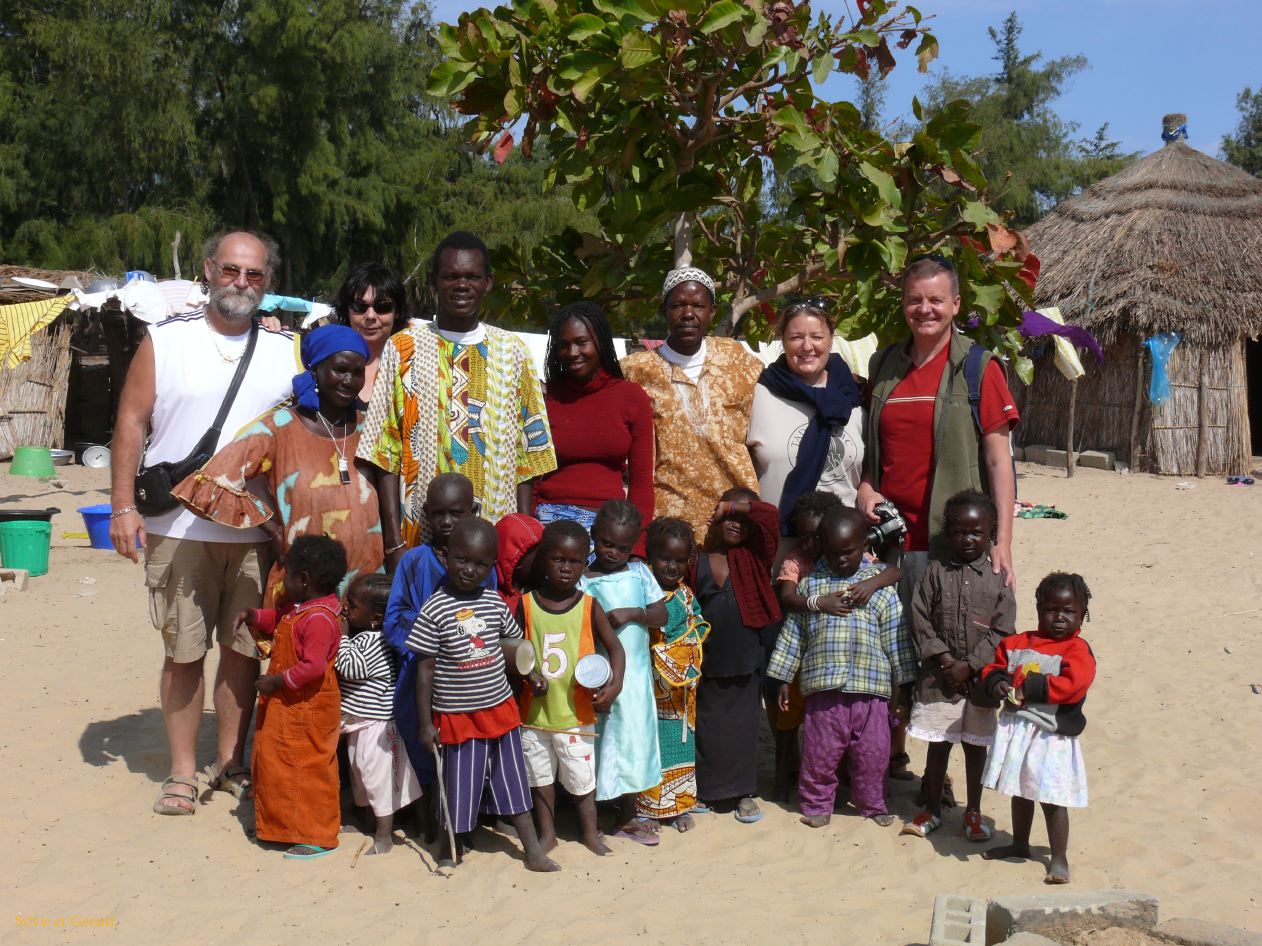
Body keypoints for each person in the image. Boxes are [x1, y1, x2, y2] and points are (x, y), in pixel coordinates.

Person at [109, 230, 298, 816]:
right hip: (178, 529)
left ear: (268, 283)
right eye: (231, 271)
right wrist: (121, 506)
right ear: (209, 270)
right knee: (184, 653)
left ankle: (231, 763)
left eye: (255, 275)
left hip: (256, 534)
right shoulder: (165, 342)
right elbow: (131, 422)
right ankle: (184, 773)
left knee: (243, 652)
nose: (241, 284)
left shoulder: (285, 349)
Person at [856, 253, 1020, 780]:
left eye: (934, 300)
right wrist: (864, 484)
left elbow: (998, 458)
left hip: (954, 546)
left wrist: (1003, 541)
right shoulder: (884, 365)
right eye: (914, 299)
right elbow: (872, 447)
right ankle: (894, 756)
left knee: (946, 651)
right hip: (889, 539)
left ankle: (939, 775)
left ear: (955, 304)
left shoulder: (979, 368)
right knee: (895, 647)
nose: (923, 309)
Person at [356, 231, 557, 568]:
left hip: (494, 543)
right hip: (419, 541)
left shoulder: (514, 352)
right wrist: (394, 544)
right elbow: (384, 451)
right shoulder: (403, 347)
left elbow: (528, 457)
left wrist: (523, 542)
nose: (461, 285)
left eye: (471, 276)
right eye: (450, 276)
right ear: (434, 282)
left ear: (488, 282)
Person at [174, 324, 383, 608]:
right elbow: (211, 480)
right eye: (340, 369)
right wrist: (273, 531)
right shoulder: (279, 428)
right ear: (316, 371)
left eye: (358, 372)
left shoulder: (369, 428)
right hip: (307, 589)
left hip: (366, 589)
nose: (349, 380)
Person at [409, 518, 559, 871]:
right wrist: (424, 723)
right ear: (446, 557)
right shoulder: (435, 608)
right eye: (462, 559)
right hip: (457, 716)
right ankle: (448, 850)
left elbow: (514, 648)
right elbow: (425, 670)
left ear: (492, 565)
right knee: (458, 786)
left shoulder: (493, 602)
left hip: (500, 709)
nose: (469, 570)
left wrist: (533, 675)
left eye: (480, 563)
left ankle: (532, 851)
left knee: (513, 781)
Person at [767, 507, 917, 829]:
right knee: (820, 751)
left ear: (863, 544)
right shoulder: (811, 585)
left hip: (871, 691)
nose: (841, 560)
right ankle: (818, 804)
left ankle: (872, 803)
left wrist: (904, 684)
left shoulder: (879, 590)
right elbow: (794, 635)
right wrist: (782, 677)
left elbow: (897, 638)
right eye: (834, 553)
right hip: (824, 691)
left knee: (873, 753)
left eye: (848, 552)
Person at [902, 490, 1016, 842]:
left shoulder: (999, 578)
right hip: (939, 679)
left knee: (974, 748)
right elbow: (919, 616)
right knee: (938, 747)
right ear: (947, 533)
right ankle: (932, 807)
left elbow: (1003, 629)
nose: (968, 539)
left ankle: (973, 811)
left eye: (977, 532)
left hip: (979, 683)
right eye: (959, 532)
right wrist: (945, 659)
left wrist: (970, 666)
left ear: (991, 533)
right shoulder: (935, 572)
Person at [621, 267, 763, 541]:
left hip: (734, 518)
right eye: (678, 305)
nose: (688, 313)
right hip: (670, 525)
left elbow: (782, 384)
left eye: (698, 305)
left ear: (711, 311)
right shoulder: (635, 370)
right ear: (664, 310)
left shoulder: (735, 358)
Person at [518, 520, 625, 856]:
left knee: (581, 779)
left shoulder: (589, 606)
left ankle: (590, 833)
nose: (566, 568)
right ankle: (547, 834)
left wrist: (615, 684)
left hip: (576, 714)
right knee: (540, 778)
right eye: (558, 559)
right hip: (535, 715)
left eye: (575, 561)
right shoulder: (525, 605)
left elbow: (616, 649)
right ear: (543, 559)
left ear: (584, 563)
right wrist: (527, 675)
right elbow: (513, 650)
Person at [980, 572, 1096, 885]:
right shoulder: (1018, 643)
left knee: (1051, 797)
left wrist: (1030, 687)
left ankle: (1059, 858)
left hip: (1051, 734)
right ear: (1038, 607)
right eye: (1051, 609)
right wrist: (999, 683)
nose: (1059, 617)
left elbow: (1074, 684)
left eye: (1068, 611)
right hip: (1018, 730)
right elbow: (994, 666)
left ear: (1082, 613)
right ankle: (1020, 843)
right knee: (1020, 789)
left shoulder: (1076, 650)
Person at [240, 535, 347, 859]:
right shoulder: (301, 607)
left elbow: (313, 667)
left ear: (303, 580)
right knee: (280, 765)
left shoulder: (318, 619)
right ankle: (283, 827)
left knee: (309, 768)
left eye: (286, 576)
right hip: (290, 707)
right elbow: (280, 621)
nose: (282, 582)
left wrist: (277, 681)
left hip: (307, 708)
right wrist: (254, 616)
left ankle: (318, 835)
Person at [382, 473, 491, 785]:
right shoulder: (414, 561)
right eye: (438, 513)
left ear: (472, 512)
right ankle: (426, 817)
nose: (447, 521)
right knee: (423, 743)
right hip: (421, 673)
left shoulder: (482, 565)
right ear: (427, 513)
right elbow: (394, 618)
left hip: (468, 674)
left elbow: (490, 615)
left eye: (456, 513)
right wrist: (435, 633)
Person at [580, 500, 668, 845]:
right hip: (597, 676)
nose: (614, 552)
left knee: (634, 739)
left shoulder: (639, 572)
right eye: (606, 543)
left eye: (623, 547)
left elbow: (661, 614)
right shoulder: (584, 580)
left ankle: (628, 814)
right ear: (593, 536)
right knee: (599, 743)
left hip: (635, 679)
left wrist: (633, 614)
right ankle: (595, 815)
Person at [534, 302, 654, 553]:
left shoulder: (631, 397)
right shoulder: (545, 398)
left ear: (600, 342)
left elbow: (641, 485)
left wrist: (637, 549)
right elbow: (531, 476)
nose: (572, 352)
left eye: (581, 342)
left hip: (609, 529)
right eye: (564, 345)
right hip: (549, 523)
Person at [692, 488, 782, 824]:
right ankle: (707, 791)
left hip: (746, 655)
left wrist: (730, 506)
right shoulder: (698, 559)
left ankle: (745, 793)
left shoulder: (757, 558)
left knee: (744, 727)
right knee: (708, 725)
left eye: (743, 518)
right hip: (708, 659)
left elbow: (770, 516)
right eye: (729, 517)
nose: (735, 523)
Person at [747, 299, 864, 530]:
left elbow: (871, 470)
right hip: (777, 541)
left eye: (817, 337)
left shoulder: (856, 396)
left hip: (844, 547)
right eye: (796, 337)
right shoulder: (757, 395)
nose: (807, 346)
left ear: (831, 340)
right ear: (782, 340)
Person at [337, 573, 422, 856]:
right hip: (361, 724)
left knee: (377, 780)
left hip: (375, 727)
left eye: (352, 604)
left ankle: (384, 836)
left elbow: (350, 668)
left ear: (375, 617)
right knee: (359, 775)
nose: (345, 607)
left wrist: (341, 636)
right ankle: (367, 820)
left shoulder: (372, 641)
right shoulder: (371, 637)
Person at [636, 517, 710, 831]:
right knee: (646, 744)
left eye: (680, 560)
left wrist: (686, 650)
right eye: (665, 558)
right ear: (650, 557)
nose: (672, 567)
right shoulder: (641, 593)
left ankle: (679, 806)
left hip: (679, 693)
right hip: (647, 687)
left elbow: (698, 628)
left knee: (679, 747)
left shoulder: (686, 596)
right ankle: (646, 810)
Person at [334, 262, 408, 399]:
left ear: (396, 312)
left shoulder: (410, 367)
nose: (370, 316)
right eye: (360, 306)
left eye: (382, 307)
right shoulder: (327, 361)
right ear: (346, 310)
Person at [494, 513, 544, 616]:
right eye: (541, 556)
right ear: (518, 561)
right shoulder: (501, 606)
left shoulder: (546, 588)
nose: (547, 560)